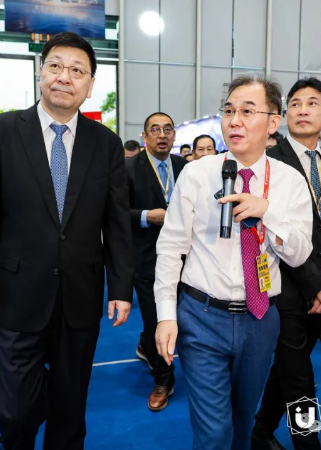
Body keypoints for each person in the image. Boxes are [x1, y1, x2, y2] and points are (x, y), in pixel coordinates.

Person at [0, 32, 134, 449]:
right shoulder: (1, 132)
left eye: (77, 71)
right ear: (41, 73)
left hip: (80, 295)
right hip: (16, 294)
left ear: (90, 84)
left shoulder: (105, 144)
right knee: (15, 410)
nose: (64, 77)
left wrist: (120, 287)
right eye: (55, 66)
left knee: (71, 409)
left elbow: (116, 223)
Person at [154, 73, 313, 450]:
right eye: (228, 111)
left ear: (273, 122)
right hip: (201, 317)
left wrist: (267, 211)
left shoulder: (290, 181)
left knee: (243, 424)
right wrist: (166, 314)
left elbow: (300, 253)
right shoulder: (197, 173)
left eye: (247, 111)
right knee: (214, 433)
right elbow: (171, 247)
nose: (234, 121)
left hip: (261, 319)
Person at [253, 77, 321, 450]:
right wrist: (318, 285)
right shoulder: (270, 163)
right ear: (282, 115)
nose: (302, 110)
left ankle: (260, 433)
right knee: (301, 383)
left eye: (312, 103)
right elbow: (271, 234)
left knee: (288, 372)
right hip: (283, 290)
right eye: (295, 103)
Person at [126, 112, 187, 411]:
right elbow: (113, 212)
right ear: (145, 136)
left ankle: (146, 344)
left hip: (187, 258)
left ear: (174, 135)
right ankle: (163, 379)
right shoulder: (128, 169)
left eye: (167, 129)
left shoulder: (185, 167)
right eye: (155, 129)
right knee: (155, 319)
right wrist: (145, 216)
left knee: (186, 317)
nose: (162, 134)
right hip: (147, 257)